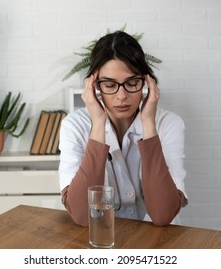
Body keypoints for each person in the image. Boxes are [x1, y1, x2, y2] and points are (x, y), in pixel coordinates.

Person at [58, 30, 187, 227]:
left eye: (132, 83)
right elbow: (82, 215)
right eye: (109, 85)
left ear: (146, 81)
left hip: (159, 243)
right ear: (94, 85)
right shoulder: (74, 126)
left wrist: (149, 124)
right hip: (103, 237)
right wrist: (99, 124)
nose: (121, 96)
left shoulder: (169, 124)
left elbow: (162, 215)